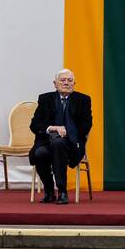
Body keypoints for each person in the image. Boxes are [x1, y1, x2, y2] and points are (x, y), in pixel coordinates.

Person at [29, 68, 92, 205]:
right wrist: (53, 128)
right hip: (46, 143)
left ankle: (62, 190)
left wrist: (67, 132)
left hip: (71, 144)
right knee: (39, 153)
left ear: (74, 84)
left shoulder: (83, 100)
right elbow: (35, 125)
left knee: (58, 143)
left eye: (70, 80)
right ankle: (50, 191)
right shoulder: (45, 99)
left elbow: (86, 125)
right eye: (62, 80)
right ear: (55, 83)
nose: (66, 83)